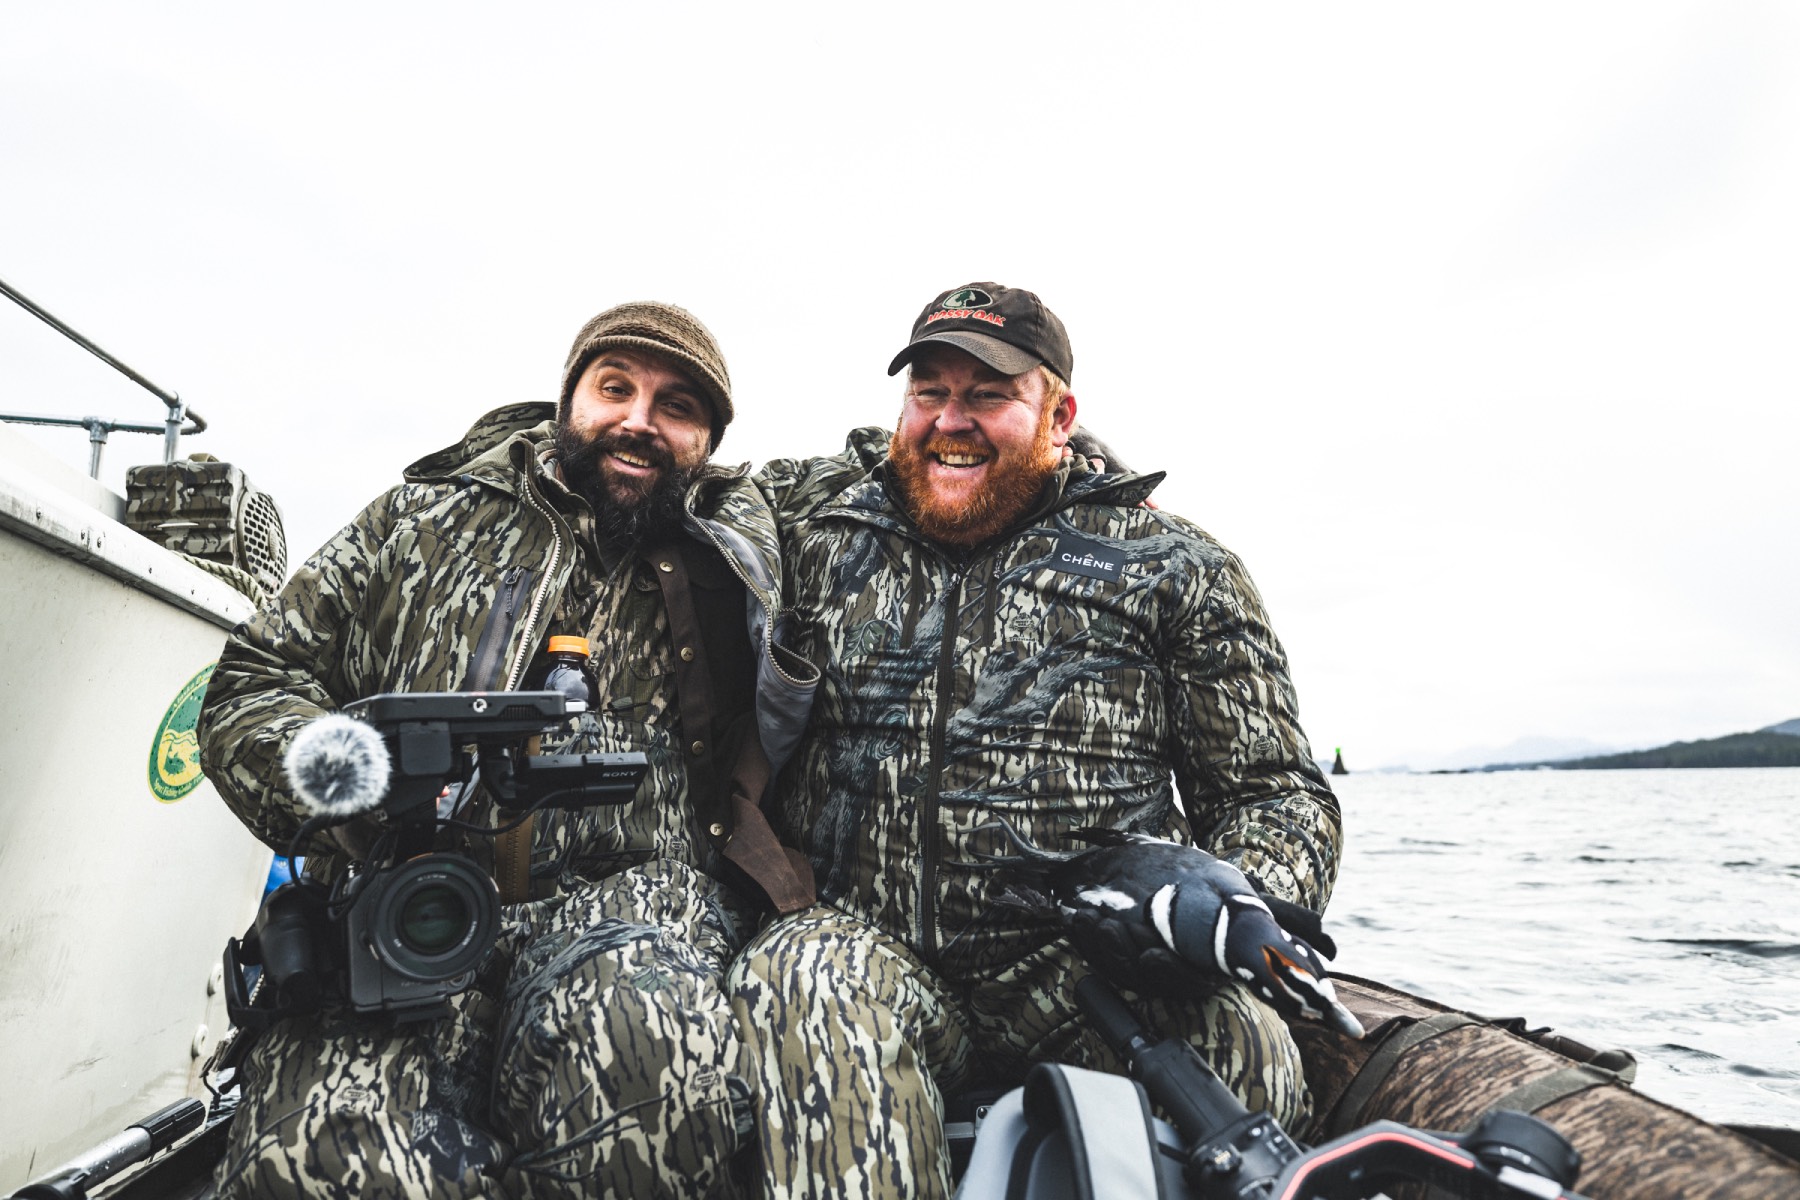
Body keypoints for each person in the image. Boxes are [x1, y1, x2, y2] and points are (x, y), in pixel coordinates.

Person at [729, 282, 1342, 1199]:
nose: (950, 421)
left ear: (1059, 413)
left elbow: (1275, 791)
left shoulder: (1173, 565)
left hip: (1084, 967)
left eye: (988, 395)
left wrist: (1228, 906)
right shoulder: (815, 527)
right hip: (868, 946)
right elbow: (657, 466)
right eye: (928, 391)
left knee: (1245, 1047)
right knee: (801, 977)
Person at [199, 302, 817, 1199]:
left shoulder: (738, 549)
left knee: (660, 1082)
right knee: (319, 1156)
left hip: (630, 911)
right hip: (404, 899)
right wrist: (350, 790)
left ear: (708, 442)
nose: (640, 419)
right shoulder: (419, 522)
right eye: (616, 388)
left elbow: (917, 456)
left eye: (677, 405)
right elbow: (255, 678)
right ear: (568, 398)